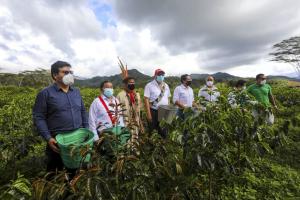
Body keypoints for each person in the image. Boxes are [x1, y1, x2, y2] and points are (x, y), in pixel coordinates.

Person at [33, 61, 88, 173]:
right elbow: (39, 117)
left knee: (76, 172)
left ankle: (72, 190)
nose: (69, 75)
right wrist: (48, 138)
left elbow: (82, 111)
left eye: (70, 72)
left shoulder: (76, 92)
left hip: (78, 140)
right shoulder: (45, 93)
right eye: (65, 72)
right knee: (55, 174)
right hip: (58, 143)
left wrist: (86, 130)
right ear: (55, 75)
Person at [117, 76, 144, 147]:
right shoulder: (120, 95)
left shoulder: (137, 95)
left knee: (135, 137)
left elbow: (139, 111)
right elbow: (117, 111)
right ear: (125, 85)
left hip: (135, 121)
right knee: (126, 139)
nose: (132, 84)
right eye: (130, 83)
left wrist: (141, 124)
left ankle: (134, 151)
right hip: (125, 122)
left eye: (133, 83)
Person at [144, 69, 171, 138]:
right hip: (154, 111)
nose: (161, 76)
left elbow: (168, 98)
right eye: (159, 75)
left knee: (163, 131)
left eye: (162, 75)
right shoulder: (149, 85)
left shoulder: (166, 86)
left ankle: (163, 146)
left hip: (164, 111)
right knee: (152, 131)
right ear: (155, 76)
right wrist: (149, 114)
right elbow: (146, 100)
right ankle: (151, 147)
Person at [173, 74, 195, 157]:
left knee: (188, 131)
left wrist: (198, 107)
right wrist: (185, 107)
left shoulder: (191, 89)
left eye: (190, 79)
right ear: (183, 80)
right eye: (189, 79)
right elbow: (175, 101)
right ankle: (180, 150)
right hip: (181, 111)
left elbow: (192, 101)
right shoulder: (178, 89)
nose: (190, 80)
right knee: (181, 130)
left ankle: (187, 150)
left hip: (189, 112)